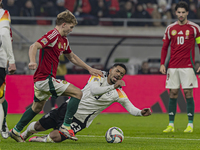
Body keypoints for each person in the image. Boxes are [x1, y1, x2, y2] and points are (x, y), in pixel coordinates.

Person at [9, 10, 103, 142]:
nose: (71, 30)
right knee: (77, 93)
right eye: (71, 27)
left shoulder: (64, 40)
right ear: (63, 24)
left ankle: (16, 130)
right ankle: (65, 126)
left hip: (41, 80)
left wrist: (88, 68)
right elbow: (34, 46)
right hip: (45, 79)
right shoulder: (53, 35)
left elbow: (72, 57)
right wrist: (32, 61)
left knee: (37, 108)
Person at [20, 63, 151, 143]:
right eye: (117, 71)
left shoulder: (119, 93)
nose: (118, 75)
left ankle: (42, 139)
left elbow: (131, 108)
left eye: (121, 74)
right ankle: (24, 135)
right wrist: (113, 86)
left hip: (80, 120)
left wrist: (140, 112)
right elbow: (95, 91)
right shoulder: (98, 75)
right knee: (38, 126)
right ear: (111, 70)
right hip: (67, 108)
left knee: (55, 137)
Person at [160, 1, 200, 133]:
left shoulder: (195, 28)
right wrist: (162, 63)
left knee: (188, 93)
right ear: (175, 13)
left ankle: (190, 125)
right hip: (172, 66)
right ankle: (170, 124)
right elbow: (165, 47)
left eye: (183, 12)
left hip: (188, 66)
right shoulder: (170, 28)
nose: (181, 14)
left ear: (187, 12)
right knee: (173, 93)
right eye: (179, 12)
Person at [0, 0, 16, 139]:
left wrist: (10, 60)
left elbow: (6, 36)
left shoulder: (3, 14)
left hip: (0, 60)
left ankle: (3, 123)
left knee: (1, 96)